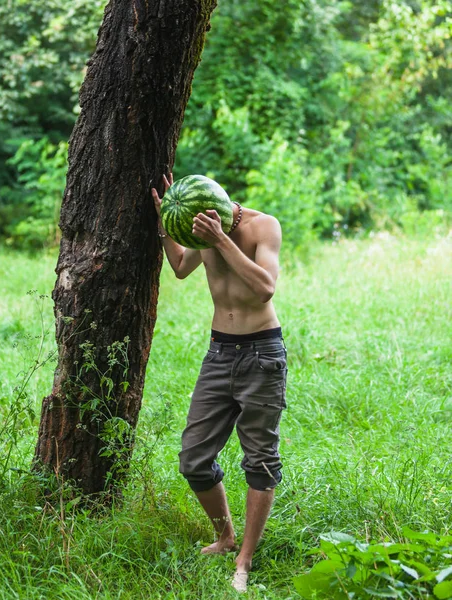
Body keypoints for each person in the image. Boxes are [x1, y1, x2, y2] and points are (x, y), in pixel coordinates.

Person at [151, 174, 287, 593]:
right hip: (219, 352)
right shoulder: (200, 229)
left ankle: (244, 559)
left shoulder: (264, 226)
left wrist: (220, 239)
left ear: (224, 204)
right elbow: (178, 267)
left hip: (262, 354)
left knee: (259, 459)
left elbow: (265, 288)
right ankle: (226, 537)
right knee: (193, 458)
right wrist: (164, 222)